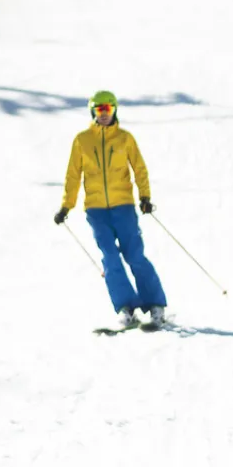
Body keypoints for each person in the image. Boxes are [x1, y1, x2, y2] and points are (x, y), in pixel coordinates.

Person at [55, 91, 167, 329]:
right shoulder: (82, 140)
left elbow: (139, 168)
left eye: (107, 109)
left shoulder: (125, 139)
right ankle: (126, 307)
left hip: (123, 206)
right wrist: (66, 205)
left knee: (134, 255)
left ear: (114, 110)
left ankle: (156, 304)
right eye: (99, 110)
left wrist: (144, 196)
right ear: (92, 112)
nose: (104, 114)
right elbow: (73, 175)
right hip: (96, 210)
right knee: (110, 258)